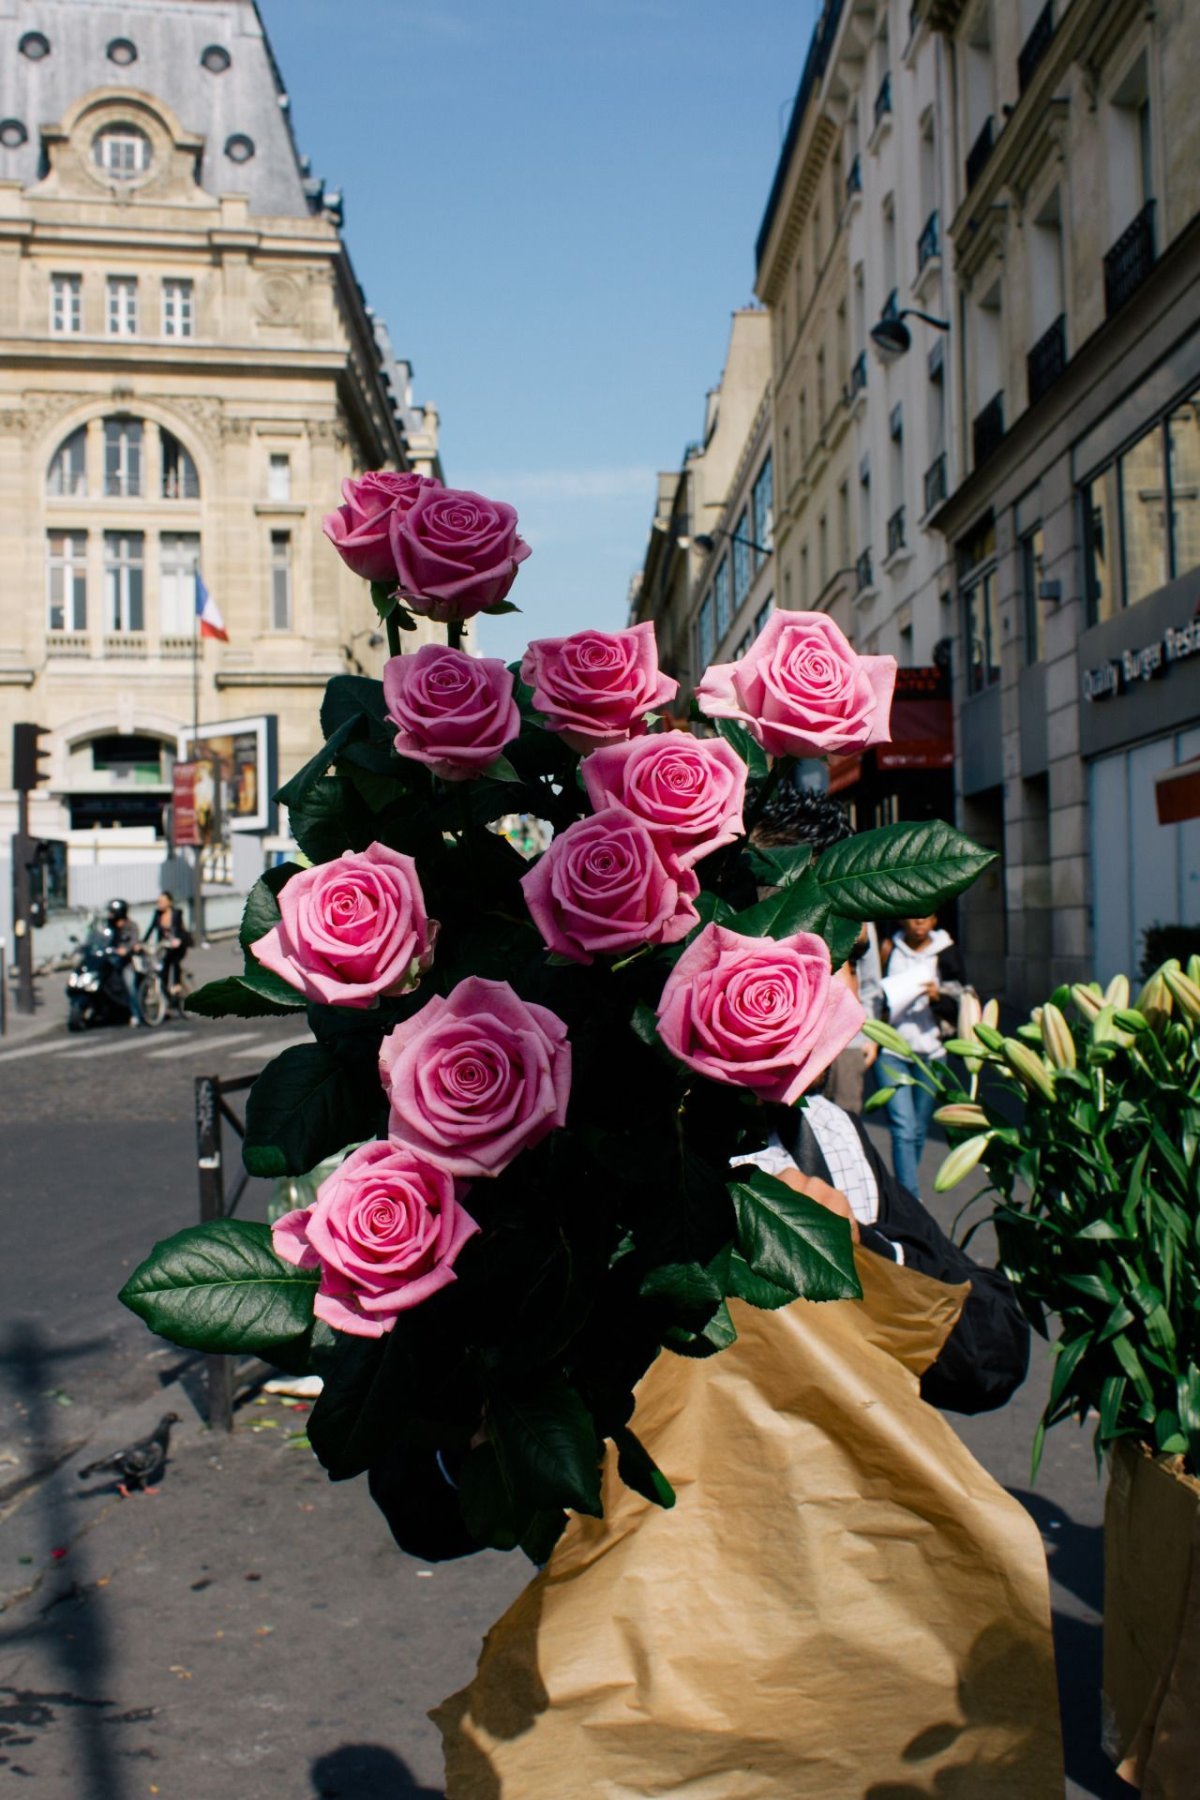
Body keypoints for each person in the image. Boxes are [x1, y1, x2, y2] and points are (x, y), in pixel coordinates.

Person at [878, 912, 968, 1196]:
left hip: (932, 1052)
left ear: (935, 920)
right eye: (914, 917)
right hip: (892, 1050)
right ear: (902, 920)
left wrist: (937, 997)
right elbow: (874, 993)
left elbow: (964, 1002)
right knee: (902, 1126)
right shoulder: (888, 949)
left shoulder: (946, 951)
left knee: (917, 1128)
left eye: (926, 918)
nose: (919, 923)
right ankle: (910, 1198)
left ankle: (905, 1191)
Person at [145, 889, 190, 1005]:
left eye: (162, 901)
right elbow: (151, 929)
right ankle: (166, 995)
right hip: (164, 945)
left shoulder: (177, 913)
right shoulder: (157, 914)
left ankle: (177, 985)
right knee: (162, 968)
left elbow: (180, 929)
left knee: (174, 962)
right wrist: (142, 942)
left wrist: (178, 940)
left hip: (178, 945)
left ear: (169, 902)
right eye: (158, 901)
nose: (159, 904)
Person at [102, 897, 142, 1025]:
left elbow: (134, 941)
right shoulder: (109, 926)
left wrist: (126, 949)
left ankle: (135, 1013)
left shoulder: (131, 926)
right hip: (111, 959)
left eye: (112, 912)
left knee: (130, 985)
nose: (110, 915)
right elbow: (101, 937)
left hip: (127, 961)